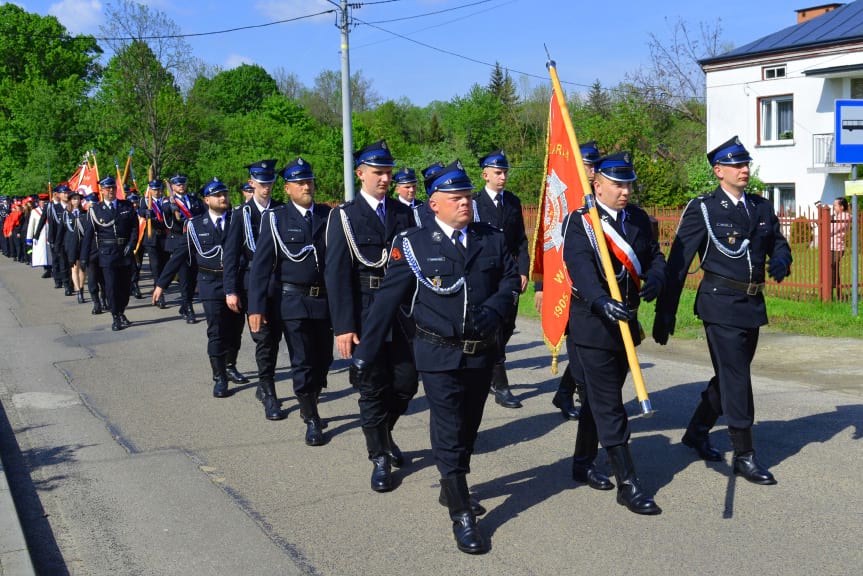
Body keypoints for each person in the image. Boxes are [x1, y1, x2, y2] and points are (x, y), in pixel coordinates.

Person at [352, 159, 520, 554]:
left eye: (467, 196)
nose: (465, 203)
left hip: (480, 353)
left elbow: (511, 279)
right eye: (455, 197)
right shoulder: (413, 244)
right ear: (434, 204)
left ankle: (451, 486)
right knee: (447, 427)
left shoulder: (490, 238)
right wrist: (365, 353)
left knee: (468, 427)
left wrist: (495, 310)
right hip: (437, 354)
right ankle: (461, 513)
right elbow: (386, 302)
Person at [654, 136, 792, 486]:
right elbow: (679, 263)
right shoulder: (704, 208)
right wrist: (664, 314)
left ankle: (697, 431)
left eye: (746, 164)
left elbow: (778, 240)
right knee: (738, 378)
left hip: (752, 305)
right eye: (736, 165)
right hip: (719, 304)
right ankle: (745, 455)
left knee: (732, 373)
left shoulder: (760, 207)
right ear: (719, 171)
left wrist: (781, 258)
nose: (744, 170)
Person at [563, 151, 665, 515]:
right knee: (609, 404)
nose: (625, 191)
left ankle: (581, 461)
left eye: (628, 184)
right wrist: (600, 300)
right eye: (617, 184)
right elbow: (579, 268)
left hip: (628, 324)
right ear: (598, 184)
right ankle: (629, 484)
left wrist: (655, 278)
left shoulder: (637, 218)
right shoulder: (581, 221)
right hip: (594, 326)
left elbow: (654, 256)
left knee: (599, 399)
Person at [325, 139, 418, 492]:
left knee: (407, 383)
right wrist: (344, 327)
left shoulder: (403, 213)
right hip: (364, 314)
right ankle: (379, 457)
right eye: (378, 172)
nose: (384, 178)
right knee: (371, 389)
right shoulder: (344, 217)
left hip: (400, 314)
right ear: (360, 173)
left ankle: (384, 432)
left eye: (388, 172)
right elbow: (337, 276)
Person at [248, 157, 332, 445]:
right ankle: (311, 417)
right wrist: (256, 307)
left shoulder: (327, 215)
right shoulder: (276, 218)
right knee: (302, 360)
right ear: (287, 189)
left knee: (323, 361)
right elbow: (260, 266)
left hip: (325, 302)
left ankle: (312, 398)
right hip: (293, 301)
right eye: (300, 182)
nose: (307, 186)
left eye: (309, 181)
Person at [153, 179, 245, 397]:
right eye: (218, 195)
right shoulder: (195, 225)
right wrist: (161, 284)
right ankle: (219, 377)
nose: (223, 198)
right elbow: (180, 255)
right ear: (207, 200)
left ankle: (230, 365)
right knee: (216, 332)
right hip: (210, 284)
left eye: (225, 194)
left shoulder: (237, 220)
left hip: (236, 283)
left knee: (235, 331)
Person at [534, 140, 603, 421]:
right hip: (568, 282)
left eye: (595, 165)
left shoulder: (598, 196)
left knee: (584, 345)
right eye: (588, 165)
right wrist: (542, 286)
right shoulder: (565, 197)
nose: (592, 170)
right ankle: (590, 406)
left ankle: (565, 393)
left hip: (597, 284)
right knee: (579, 345)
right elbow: (547, 243)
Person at [223, 159, 283, 419]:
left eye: (270, 182)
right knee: (265, 339)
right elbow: (231, 254)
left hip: (281, 282)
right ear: (252, 183)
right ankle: (268, 389)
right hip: (254, 285)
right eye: (261, 182)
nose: (266, 187)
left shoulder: (281, 210)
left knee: (283, 337)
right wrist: (231, 290)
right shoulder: (241, 214)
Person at [472, 149, 529, 408]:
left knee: (506, 327)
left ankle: (490, 369)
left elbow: (521, 241)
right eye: (498, 172)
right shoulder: (474, 203)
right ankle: (501, 384)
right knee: (493, 330)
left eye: (505, 172)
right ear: (485, 174)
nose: (503, 176)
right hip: (487, 276)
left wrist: (524, 271)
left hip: (509, 275)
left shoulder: (513, 202)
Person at [80, 176, 138, 331]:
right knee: (111, 286)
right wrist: (84, 257)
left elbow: (134, 227)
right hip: (107, 253)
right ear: (102, 191)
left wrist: (131, 245)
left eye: (113, 188)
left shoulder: (126, 206)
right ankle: (115, 316)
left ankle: (121, 310)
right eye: (107, 189)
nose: (110, 191)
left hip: (124, 252)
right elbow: (88, 235)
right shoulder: (95, 210)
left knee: (125, 288)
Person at [161, 173, 205, 323]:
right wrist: (171, 207)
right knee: (185, 277)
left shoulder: (194, 200)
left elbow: (203, 214)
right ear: (173, 186)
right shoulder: (168, 201)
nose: (181, 186)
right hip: (179, 241)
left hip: (194, 242)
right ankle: (189, 308)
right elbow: (164, 213)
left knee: (193, 277)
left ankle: (185, 305)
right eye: (178, 184)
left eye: (183, 184)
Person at [138, 180, 170, 308]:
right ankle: (160, 295)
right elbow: (140, 211)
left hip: (165, 236)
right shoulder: (145, 201)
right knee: (156, 266)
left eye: (159, 189)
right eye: (154, 189)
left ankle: (159, 287)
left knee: (165, 266)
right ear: (150, 190)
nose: (157, 192)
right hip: (152, 238)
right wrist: (145, 213)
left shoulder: (166, 201)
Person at [61, 191, 87, 303]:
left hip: (82, 243)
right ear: (70, 201)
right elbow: (61, 231)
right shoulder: (66, 214)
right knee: (74, 267)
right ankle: (77, 290)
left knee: (82, 268)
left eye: (78, 199)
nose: (76, 201)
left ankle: (81, 289)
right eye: (74, 199)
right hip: (70, 244)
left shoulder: (85, 213)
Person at [26, 194, 52, 277]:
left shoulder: (51, 209)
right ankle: (47, 269)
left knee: (51, 253)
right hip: (40, 236)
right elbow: (31, 225)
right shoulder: (34, 211)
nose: (43, 203)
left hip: (51, 234)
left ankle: (54, 269)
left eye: (45, 201)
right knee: (43, 254)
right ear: (39, 202)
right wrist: (29, 238)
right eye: (42, 201)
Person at [830, 197, 850, 300]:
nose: (834, 207)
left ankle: (833, 290)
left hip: (838, 247)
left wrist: (826, 224)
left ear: (842, 207)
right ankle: (836, 293)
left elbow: (830, 231)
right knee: (832, 268)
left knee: (832, 267)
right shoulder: (837, 216)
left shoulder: (845, 217)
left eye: (835, 205)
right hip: (831, 246)